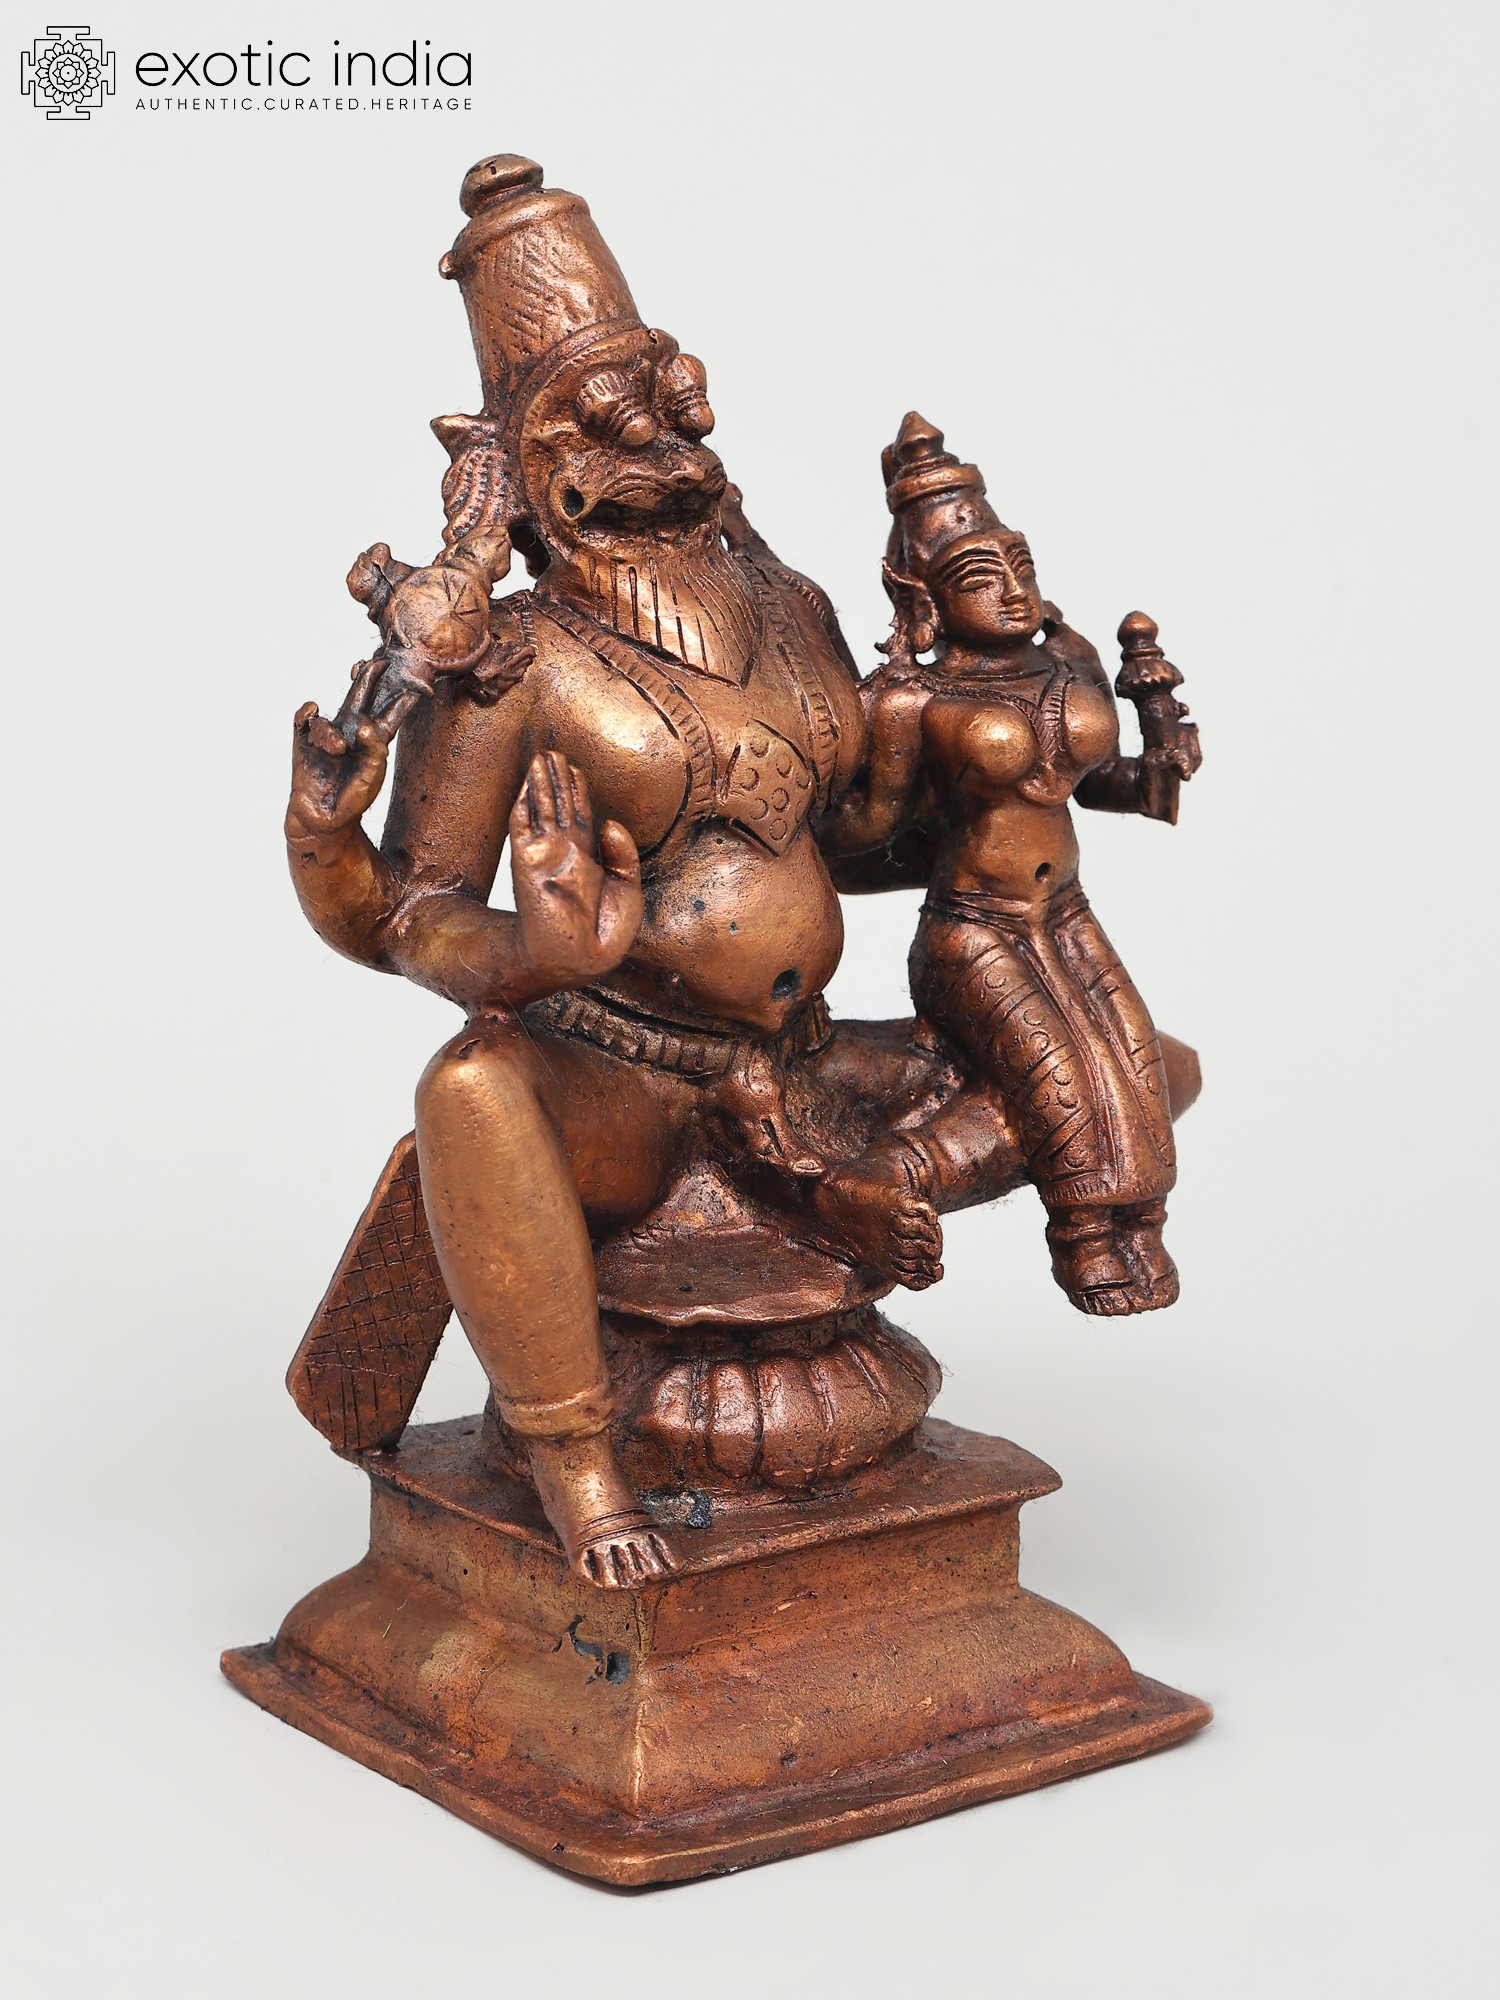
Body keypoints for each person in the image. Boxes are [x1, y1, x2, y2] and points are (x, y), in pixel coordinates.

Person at [820, 413, 1202, 1315]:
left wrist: (1158, 766)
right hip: (974, 930)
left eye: (1019, 566)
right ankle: (1084, 1234)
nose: (1012, 591)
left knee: (1129, 1047)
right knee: (1056, 1073)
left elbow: (1101, 784)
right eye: (977, 577)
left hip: (1064, 910)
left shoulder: (1065, 659)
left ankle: (1142, 1222)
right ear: (920, 595)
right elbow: (859, 833)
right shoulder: (911, 699)